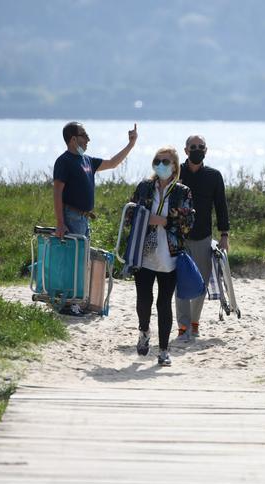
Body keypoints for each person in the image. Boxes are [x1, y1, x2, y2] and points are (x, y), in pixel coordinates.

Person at [52, 121, 137, 315]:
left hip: (84, 219)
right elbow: (57, 192)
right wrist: (60, 223)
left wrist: (131, 144)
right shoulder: (64, 161)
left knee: (82, 262)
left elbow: (112, 163)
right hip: (71, 217)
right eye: (84, 135)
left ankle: (76, 301)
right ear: (73, 139)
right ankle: (68, 303)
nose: (88, 139)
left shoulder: (87, 160)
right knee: (73, 262)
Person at [127, 146, 195, 366]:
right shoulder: (145, 187)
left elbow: (188, 224)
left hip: (170, 255)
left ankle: (164, 350)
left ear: (174, 166)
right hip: (144, 252)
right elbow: (130, 213)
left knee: (164, 303)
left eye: (166, 161)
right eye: (158, 160)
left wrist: (164, 221)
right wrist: (139, 216)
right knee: (143, 300)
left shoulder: (182, 191)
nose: (161, 165)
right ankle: (144, 331)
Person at [175, 135, 230, 341]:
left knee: (200, 282)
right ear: (186, 150)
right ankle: (183, 326)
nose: (197, 150)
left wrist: (224, 235)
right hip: (178, 237)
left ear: (206, 150)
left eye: (200, 147)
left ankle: (195, 323)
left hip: (203, 237)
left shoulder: (214, 176)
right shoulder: (176, 172)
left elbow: (221, 207)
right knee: (180, 282)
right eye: (193, 147)